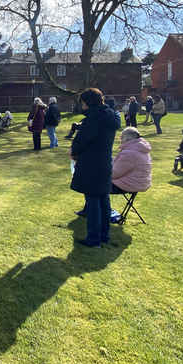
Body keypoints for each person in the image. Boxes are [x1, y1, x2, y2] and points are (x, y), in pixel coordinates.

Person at [70, 88, 121, 247]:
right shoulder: (109, 116)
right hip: (104, 162)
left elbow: (83, 139)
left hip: (91, 163)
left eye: (83, 102)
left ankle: (93, 239)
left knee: (93, 201)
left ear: (88, 102)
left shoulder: (94, 118)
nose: (82, 106)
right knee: (103, 200)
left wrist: (74, 151)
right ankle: (104, 235)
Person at [111, 127, 152, 194]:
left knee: (93, 185)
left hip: (128, 185)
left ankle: (97, 204)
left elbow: (113, 174)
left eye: (121, 137)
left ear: (127, 139)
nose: (120, 140)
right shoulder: (141, 148)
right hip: (140, 183)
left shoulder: (129, 153)